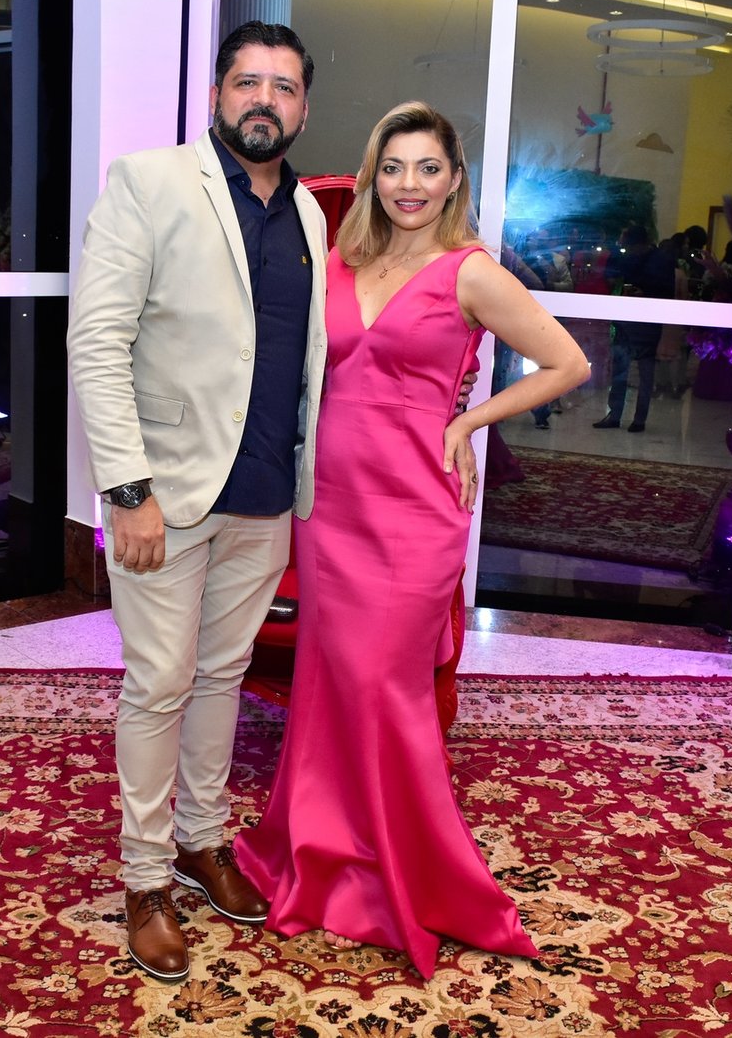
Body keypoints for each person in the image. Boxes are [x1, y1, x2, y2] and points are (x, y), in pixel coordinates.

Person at [234, 101, 590, 979]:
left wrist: (468, 420)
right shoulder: (340, 259)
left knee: (387, 690)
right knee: (328, 684)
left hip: (414, 510)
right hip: (330, 507)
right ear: (372, 175)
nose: (409, 185)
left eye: (428, 168)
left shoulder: (471, 273)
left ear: (454, 179)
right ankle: (317, 852)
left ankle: (406, 873)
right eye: (393, 167)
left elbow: (568, 362)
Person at [67, 21, 328, 985]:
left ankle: (202, 840)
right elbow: (97, 341)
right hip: (165, 493)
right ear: (217, 94)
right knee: (159, 683)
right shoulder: (150, 181)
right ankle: (144, 880)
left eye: (284, 87)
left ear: (304, 108)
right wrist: (127, 490)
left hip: (266, 494)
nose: (265, 100)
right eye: (248, 82)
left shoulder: (309, 213)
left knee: (223, 676)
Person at [593, 225, 668, 432]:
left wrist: (645, 293)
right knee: (621, 369)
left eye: (627, 245)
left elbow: (665, 292)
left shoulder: (659, 260)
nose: (625, 248)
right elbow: (612, 277)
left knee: (644, 373)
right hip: (627, 321)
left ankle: (638, 419)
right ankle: (617, 415)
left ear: (638, 244)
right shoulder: (635, 258)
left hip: (647, 322)